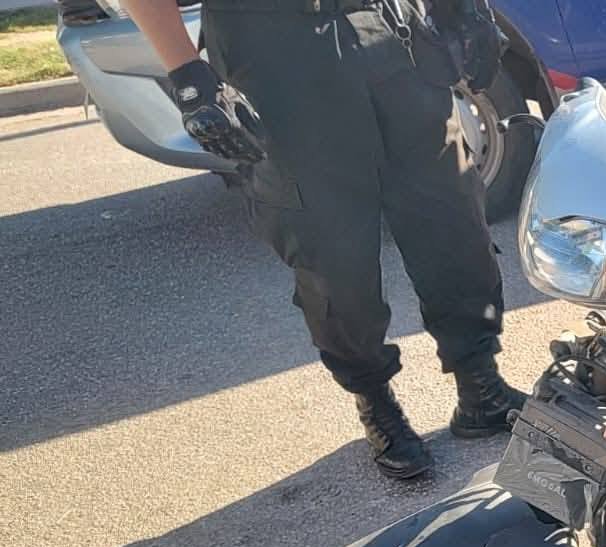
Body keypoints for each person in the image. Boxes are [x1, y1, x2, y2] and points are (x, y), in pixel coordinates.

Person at [123, 0, 524, 480]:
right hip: (275, 51)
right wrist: (187, 75)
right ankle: (375, 400)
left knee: (453, 218)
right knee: (333, 254)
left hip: (392, 31)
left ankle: (480, 383)